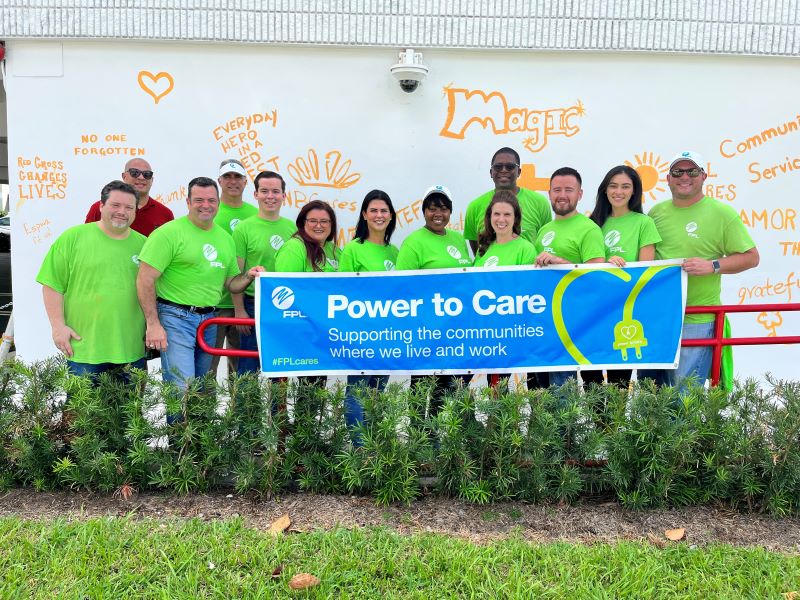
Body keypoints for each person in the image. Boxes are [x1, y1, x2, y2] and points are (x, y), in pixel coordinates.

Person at [136, 176, 256, 418]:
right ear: (188, 201)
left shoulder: (224, 238)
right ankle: (177, 452)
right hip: (175, 317)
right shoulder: (168, 233)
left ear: (218, 202)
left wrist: (249, 276)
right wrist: (153, 323)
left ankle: (197, 451)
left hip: (209, 320)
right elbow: (144, 279)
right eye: (199, 200)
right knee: (182, 387)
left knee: (202, 389)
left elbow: (231, 283)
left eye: (211, 200)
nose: (206, 205)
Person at [644, 151, 759, 388]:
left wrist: (713, 265)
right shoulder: (655, 213)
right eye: (678, 172)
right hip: (660, 317)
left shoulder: (722, 213)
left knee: (685, 396)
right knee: (654, 396)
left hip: (698, 318)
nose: (684, 177)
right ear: (668, 178)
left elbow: (751, 257)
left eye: (692, 171)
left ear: (704, 176)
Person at [37, 180, 146, 382]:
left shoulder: (145, 245)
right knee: (80, 413)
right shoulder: (72, 238)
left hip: (131, 349)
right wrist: (58, 327)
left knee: (129, 413)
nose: (122, 211)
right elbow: (52, 285)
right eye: (115, 205)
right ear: (101, 206)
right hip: (85, 349)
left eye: (129, 207)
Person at [397, 185, 472, 419]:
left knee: (446, 386)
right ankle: (418, 435)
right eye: (431, 208)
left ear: (450, 212)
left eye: (443, 208)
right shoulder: (413, 242)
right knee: (421, 385)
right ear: (423, 212)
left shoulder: (458, 239)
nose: (437, 214)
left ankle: (437, 435)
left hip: (454, 330)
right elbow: (402, 287)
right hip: (425, 329)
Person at [582, 165, 661, 388]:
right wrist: (605, 264)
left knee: (619, 380)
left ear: (634, 192)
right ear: (605, 190)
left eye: (626, 186)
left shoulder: (644, 223)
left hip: (625, 310)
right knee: (591, 378)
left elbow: (646, 269)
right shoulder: (591, 223)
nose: (619, 191)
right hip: (594, 310)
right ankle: (599, 424)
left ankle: (612, 425)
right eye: (613, 186)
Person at [534, 167, 606, 388]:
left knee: (590, 386)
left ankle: (601, 425)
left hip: (580, 322)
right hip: (545, 321)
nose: (562, 195)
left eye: (569, 189)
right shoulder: (544, 229)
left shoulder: (589, 229)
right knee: (544, 388)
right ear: (549, 193)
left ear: (580, 194)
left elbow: (597, 275)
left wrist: (561, 263)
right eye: (557, 189)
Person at [339, 189, 399, 445]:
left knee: (378, 391)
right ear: (364, 215)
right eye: (373, 210)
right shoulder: (353, 250)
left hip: (388, 331)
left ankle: (374, 444)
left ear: (391, 216)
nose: (378, 215)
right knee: (357, 389)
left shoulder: (395, 252)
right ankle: (359, 447)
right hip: (361, 331)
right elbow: (343, 292)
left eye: (383, 210)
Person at [232, 170, 297, 375]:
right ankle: (246, 408)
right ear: (256, 195)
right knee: (248, 368)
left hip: (284, 305)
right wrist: (239, 310)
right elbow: (237, 273)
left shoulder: (292, 228)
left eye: (276, 191)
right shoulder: (244, 229)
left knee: (280, 365)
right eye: (265, 191)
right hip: (253, 304)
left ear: (284, 196)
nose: (270, 196)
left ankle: (277, 408)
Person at [473, 189, 537, 389]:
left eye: (507, 214)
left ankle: (502, 421)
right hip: (483, 328)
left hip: (509, 329)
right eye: (497, 214)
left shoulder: (525, 249)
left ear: (516, 218)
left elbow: (525, 291)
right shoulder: (484, 246)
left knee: (499, 385)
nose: (501, 219)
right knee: (490, 385)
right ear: (489, 217)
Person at [275, 200, 341, 390]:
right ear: (303, 222)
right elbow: (285, 289)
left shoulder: (334, 250)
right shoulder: (294, 248)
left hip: (324, 330)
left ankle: (306, 421)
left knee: (314, 388)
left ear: (332, 225)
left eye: (325, 221)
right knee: (287, 388)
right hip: (299, 328)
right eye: (313, 220)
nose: (319, 226)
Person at [211, 158, 258, 377]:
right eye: (227, 176)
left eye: (237, 176)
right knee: (208, 367)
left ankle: (236, 412)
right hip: (213, 302)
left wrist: (240, 307)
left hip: (245, 303)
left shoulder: (254, 214)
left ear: (245, 182)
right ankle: (204, 412)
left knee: (240, 370)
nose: (232, 181)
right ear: (219, 180)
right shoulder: (209, 211)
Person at [463, 147, 551, 254]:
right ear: (491, 172)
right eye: (498, 167)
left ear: (519, 172)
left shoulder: (540, 202)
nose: (503, 170)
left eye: (510, 167)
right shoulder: (475, 206)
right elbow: (476, 245)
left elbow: (546, 240)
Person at [85, 158, 173, 236]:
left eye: (147, 174)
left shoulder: (165, 214)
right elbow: (86, 238)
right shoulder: (100, 208)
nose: (141, 177)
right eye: (135, 172)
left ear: (152, 180)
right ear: (124, 176)